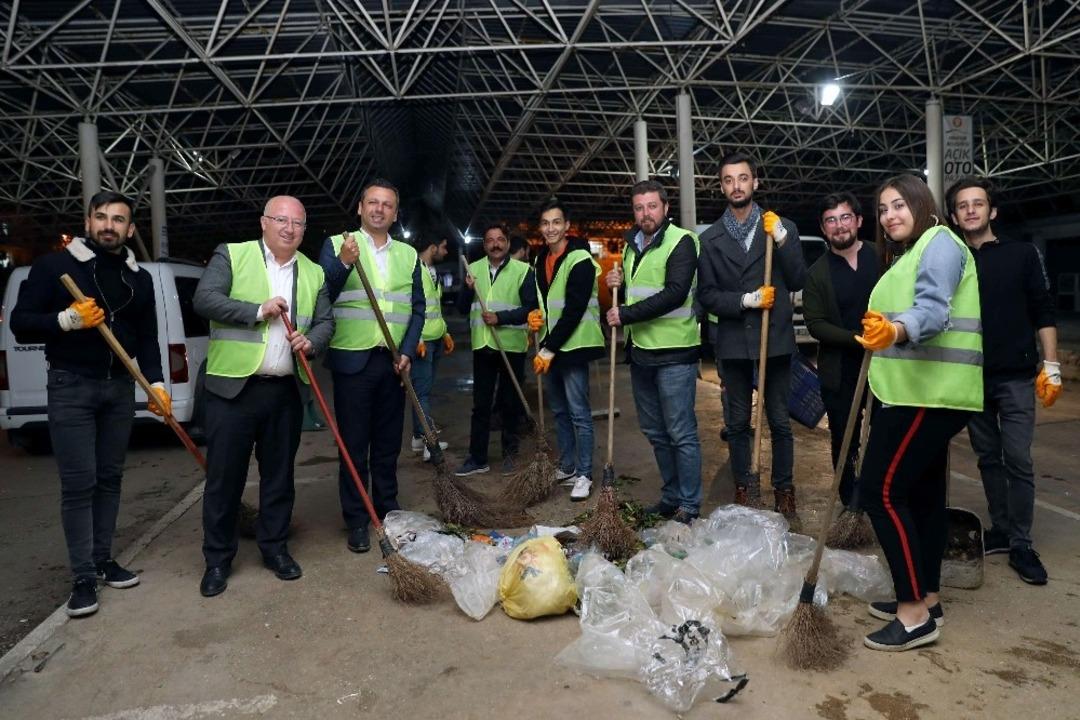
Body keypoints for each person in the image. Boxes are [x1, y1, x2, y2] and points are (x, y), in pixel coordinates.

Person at [11, 191, 169, 617]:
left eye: (118, 220)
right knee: (80, 484)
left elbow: (148, 336)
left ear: (130, 230)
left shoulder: (139, 279)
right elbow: (20, 324)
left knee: (110, 477)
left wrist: (155, 383)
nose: (108, 226)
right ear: (88, 221)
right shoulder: (55, 267)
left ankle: (103, 560)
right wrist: (67, 320)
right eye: (101, 217)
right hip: (71, 387)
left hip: (119, 388)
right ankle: (83, 576)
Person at [858, 174, 983, 652]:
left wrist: (895, 329)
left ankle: (913, 618)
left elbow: (934, 310)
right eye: (883, 208)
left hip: (928, 396)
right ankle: (927, 597)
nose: (890, 215)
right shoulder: (913, 251)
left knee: (880, 491)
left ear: (920, 204)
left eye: (898, 204)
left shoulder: (939, 243)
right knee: (923, 496)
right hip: (918, 392)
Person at [193, 196, 333, 597]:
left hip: (284, 392)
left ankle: (275, 549)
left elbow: (326, 322)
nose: (289, 228)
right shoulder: (233, 256)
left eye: (298, 223)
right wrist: (257, 309)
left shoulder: (313, 272)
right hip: (232, 390)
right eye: (281, 220)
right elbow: (205, 299)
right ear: (264, 223)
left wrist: (312, 341)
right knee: (224, 480)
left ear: (305, 231)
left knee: (279, 478)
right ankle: (217, 560)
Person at [947, 176, 1059, 585]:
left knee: (1018, 458)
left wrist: (1052, 364)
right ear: (955, 215)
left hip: (1015, 376)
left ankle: (1022, 543)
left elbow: (1043, 310)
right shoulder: (954, 260)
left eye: (979, 203)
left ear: (992, 211)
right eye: (963, 205)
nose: (972, 210)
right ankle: (999, 528)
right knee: (988, 457)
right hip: (971, 378)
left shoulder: (1022, 254)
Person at [697, 151, 806, 524]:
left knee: (779, 420)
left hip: (772, 342)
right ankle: (745, 484)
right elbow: (707, 295)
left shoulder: (779, 227)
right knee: (739, 423)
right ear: (722, 186)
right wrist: (745, 300)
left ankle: (784, 489)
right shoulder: (711, 238)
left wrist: (783, 238)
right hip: (733, 344)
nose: (736, 186)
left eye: (743, 178)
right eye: (728, 180)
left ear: (755, 182)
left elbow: (798, 278)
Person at [318, 179, 424, 554]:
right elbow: (322, 294)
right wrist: (344, 264)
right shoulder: (337, 245)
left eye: (388, 205)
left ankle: (388, 510)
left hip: (393, 362)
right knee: (353, 445)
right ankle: (358, 519)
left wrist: (408, 350)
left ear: (395, 214)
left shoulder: (409, 255)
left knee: (386, 444)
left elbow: (418, 308)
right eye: (373, 203)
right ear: (360, 208)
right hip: (353, 361)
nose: (379, 209)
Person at [605, 180, 702, 523]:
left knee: (680, 432)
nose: (645, 213)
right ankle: (671, 496)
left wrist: (625, 314)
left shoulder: (682, 242)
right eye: (639, 207)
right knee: (656, 432)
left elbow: (675, 293)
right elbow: (636, 290)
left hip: (675, 351)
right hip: (642, 351)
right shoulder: (632, 244)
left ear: (665, 208)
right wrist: (618, 286)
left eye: (651, 206)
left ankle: (689, 504)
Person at [802, 192, 878, 506]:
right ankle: (850, 503)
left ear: (859, 221)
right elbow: (816, 324)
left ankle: (879, 496)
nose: (839, 226)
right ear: (823, 228)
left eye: (845, 217)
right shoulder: (817, 273)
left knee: (884, 437)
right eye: (831, 220)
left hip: (886, 366)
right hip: (841, 371)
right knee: (844, 440)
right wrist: (856, 339)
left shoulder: (882, 256)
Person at [530, 198, 604, 501]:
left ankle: (585, 473)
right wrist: (533, 317)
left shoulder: (580, 260)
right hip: (553, 345)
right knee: (559, 410)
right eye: (546, 223)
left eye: (556, 222)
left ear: (566, 226)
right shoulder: (540, 260)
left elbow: (573, 310)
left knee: (578, 413)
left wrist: (548, 348)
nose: (551, 228)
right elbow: (548, 303)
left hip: (574, 345)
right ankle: (569, 465)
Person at [456, 223, 537, 476]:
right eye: (490, 240)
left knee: (510, 403)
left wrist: (500, 318)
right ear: (485, 245)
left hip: (511, 346)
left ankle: (510, 454)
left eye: (500, 239)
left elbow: (530, 308)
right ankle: (477, 458)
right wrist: (466, 289)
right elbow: (460, 308)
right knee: (481, 405)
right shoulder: (473, 269)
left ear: (508, 243)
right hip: (483, 346)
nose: (495, 244)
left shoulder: (523, 271)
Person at [409, 235, 454, 462]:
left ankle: (418, 438)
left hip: (434, 339)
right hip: (422, 342)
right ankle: (429, 442)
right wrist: (413, 337)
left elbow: (434, 306)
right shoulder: (413, 270)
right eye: (444, 247)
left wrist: (444, 332)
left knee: (421, 392)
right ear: (433, 245)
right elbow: (408, 305)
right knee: (423, 393)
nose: (446, 252)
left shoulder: (432, 271)